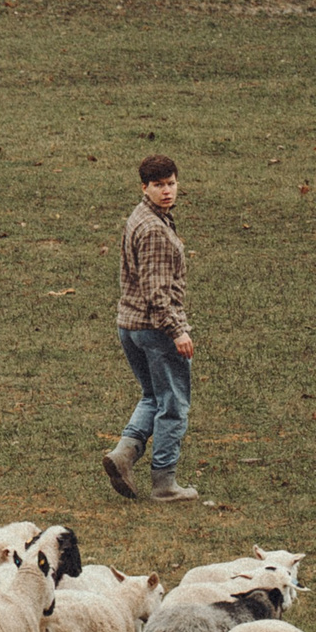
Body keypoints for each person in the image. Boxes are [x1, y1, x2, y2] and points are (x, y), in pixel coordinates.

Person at [102, 153, 199, 504]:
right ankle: (165, 483)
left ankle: (124, 455)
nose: (167, 191)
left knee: (152, 396)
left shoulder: (140, 216)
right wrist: (176, 331)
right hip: (155, 329)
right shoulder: (155, 230)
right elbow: (156, 293)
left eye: (171, 183)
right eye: (158, 185)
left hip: (129, 326)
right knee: (173, 405)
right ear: (145, 187)